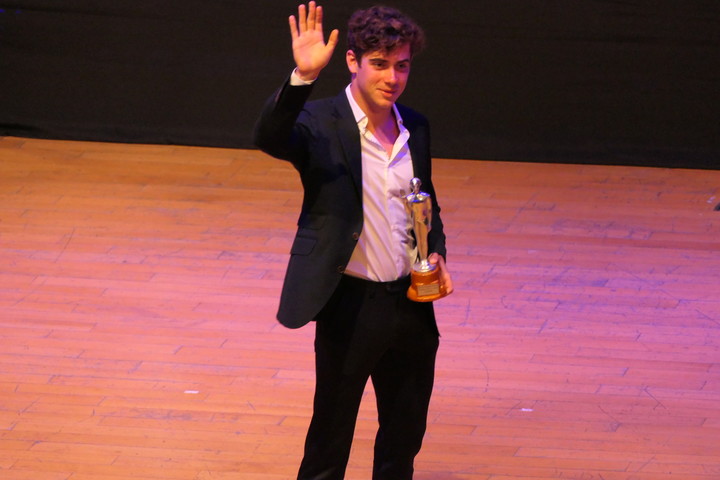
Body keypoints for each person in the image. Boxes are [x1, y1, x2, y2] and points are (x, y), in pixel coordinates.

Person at [253, 2, 453, 479]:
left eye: (401, 65)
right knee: (331, 439)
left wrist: (437, 247)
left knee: (404, 438)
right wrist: (302, 76)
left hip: (410, 303)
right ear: (353, 62)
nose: (393, 77)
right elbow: (270, 136)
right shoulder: (321, 122)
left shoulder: (415, 126)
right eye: (380, 64)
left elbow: (425, 198)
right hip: (350, 304)